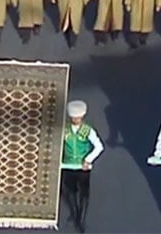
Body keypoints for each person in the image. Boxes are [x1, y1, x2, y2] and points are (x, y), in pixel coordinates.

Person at [62, 100, 104, 233]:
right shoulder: (65, 129)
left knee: (84, 193)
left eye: (78, 117)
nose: (76, 119)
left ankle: (82, 218)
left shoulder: (88, 130)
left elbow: (99, 146)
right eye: (74, 117)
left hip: (83, 167)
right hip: (68, 165)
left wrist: (88, 160)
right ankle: (75, 214)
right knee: (70, 191)